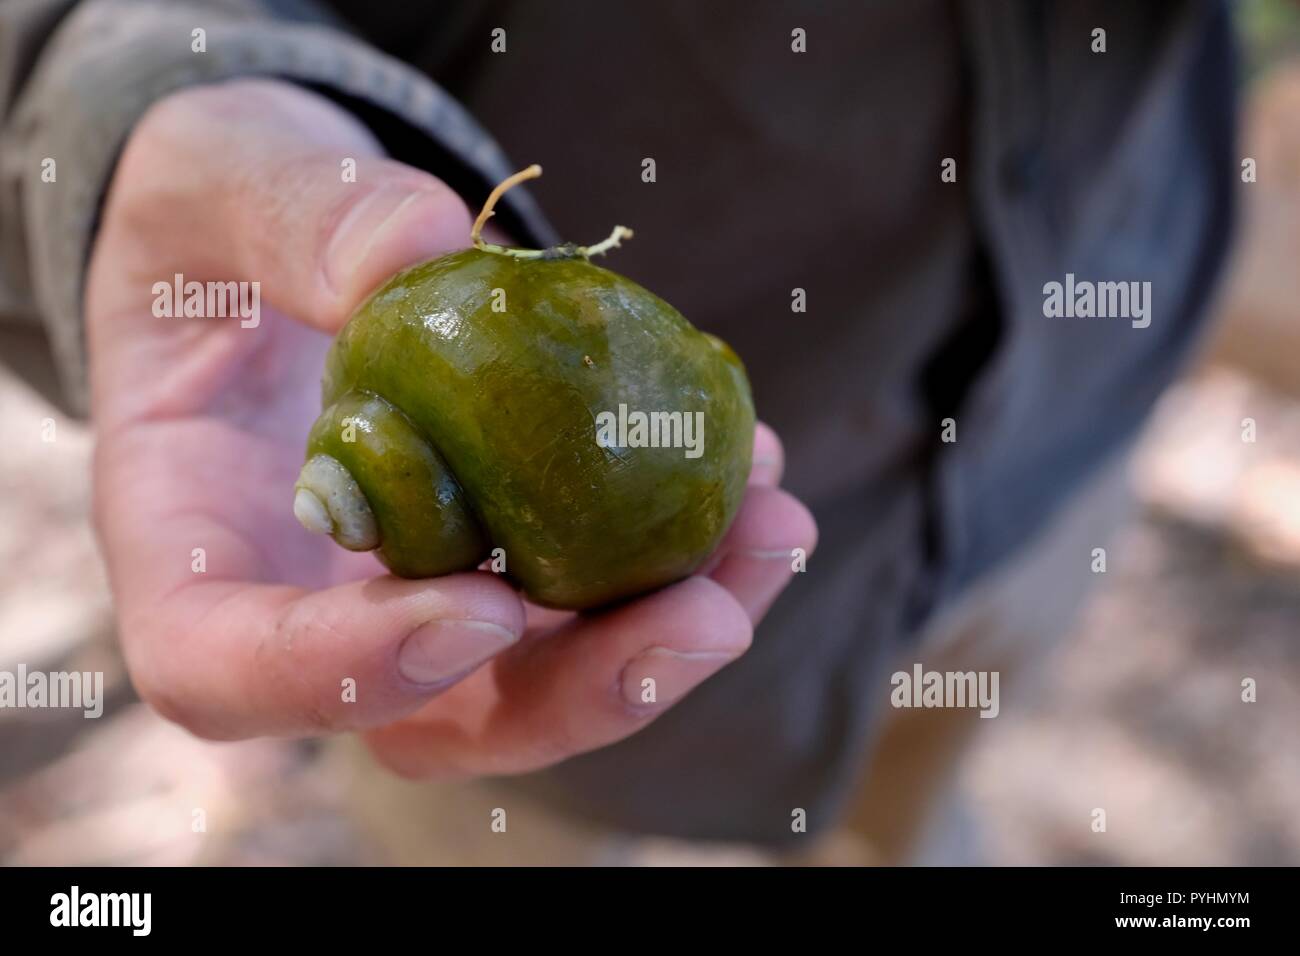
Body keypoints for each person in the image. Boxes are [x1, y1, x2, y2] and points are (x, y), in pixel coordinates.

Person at [0, 0, 1236, 860]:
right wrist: (136, 77)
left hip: (1048, 446)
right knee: (500, 817)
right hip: (534, 680)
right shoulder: (412, 388)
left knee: (916, 795)